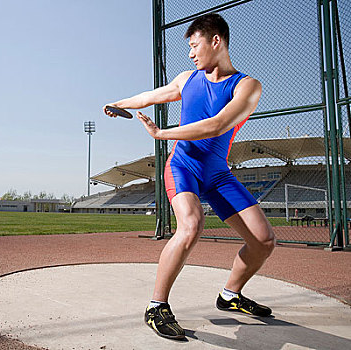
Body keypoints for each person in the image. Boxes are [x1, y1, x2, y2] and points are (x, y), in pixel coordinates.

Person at [103, 13, 275, 340]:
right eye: (189, 49)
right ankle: (157, 306)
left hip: (217, 173)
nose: (192, 54)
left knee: (264, 241)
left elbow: (217, 125)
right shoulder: (187, 79)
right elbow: (151, 96)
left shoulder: (247, 86)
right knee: (191, 225)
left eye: (195, 46)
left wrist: (162, 132)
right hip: (183, 166)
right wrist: (118, 103)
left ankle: (230, 295)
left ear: (216, 41)